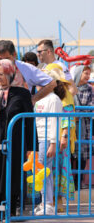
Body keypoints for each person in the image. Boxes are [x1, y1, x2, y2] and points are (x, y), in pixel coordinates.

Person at [0, 59, 35, 216]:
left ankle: (10, 211)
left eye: (2, 74)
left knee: (12, 176)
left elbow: (29, 121)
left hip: (14, 143)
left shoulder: (22, 93)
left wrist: (32, 148)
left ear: (11, 74)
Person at [43, 63, 75, 212]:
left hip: (60, 138)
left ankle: (59, 200)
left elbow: (67, 117)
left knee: (59, 168)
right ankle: (50, 200)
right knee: (50, 169)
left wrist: (64, 136)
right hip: (48, 135)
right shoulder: (46, 94)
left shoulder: (65, 94)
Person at [0, 40, 56, 105]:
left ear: (14, 54)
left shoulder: (26, 68)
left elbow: (51, 83)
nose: (3, 62)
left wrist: (33, 99)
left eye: (6, 58)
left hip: (20, 115)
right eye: (0, 59)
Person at [34, 81, 64, 215]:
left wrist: (53, 143)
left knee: (44, 171)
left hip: (46, 138)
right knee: (43, 171)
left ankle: (48, 204)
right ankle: (45, 202)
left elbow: (54, 121)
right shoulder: (39, 98)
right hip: (39, 137)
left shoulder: (53, 99)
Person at [71, 64, 93, 189]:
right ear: (79, 73)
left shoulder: (89, 89)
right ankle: (69, 182)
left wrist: (78, 113)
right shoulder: (69, 88)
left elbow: (91, 107)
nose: (87, 76)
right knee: (70, 154)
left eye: (89, 74)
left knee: (82, 155)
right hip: (70, 126)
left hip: (85, 127)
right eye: (85, 73)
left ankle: (78, 182)